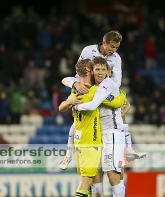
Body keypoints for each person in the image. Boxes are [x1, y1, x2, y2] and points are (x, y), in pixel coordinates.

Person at [60, 31, 145, 170]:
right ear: (104, 43)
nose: (114, 50)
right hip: (87, 89)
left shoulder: (117, 58)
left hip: (102, 91)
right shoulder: (88, 51)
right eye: (112, 46)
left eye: (116, 47)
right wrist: (76, 84)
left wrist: (110, 93)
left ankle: (129, 150)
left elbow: (117, 82)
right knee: (77, 123)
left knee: (120, 113)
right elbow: (78, 72)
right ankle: (68, 155)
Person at [59, 59, 126, 197]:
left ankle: (68, 155)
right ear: (90, 71)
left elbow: (61, 106)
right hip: (91, 141)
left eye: (101, 69)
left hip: (82, 139)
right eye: (96, 69)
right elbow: (116, 102)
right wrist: (123, 96)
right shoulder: (95, 90)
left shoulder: (75, 91)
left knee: (95, 177)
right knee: (88, 180)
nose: (98, 72)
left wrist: (71, 101)